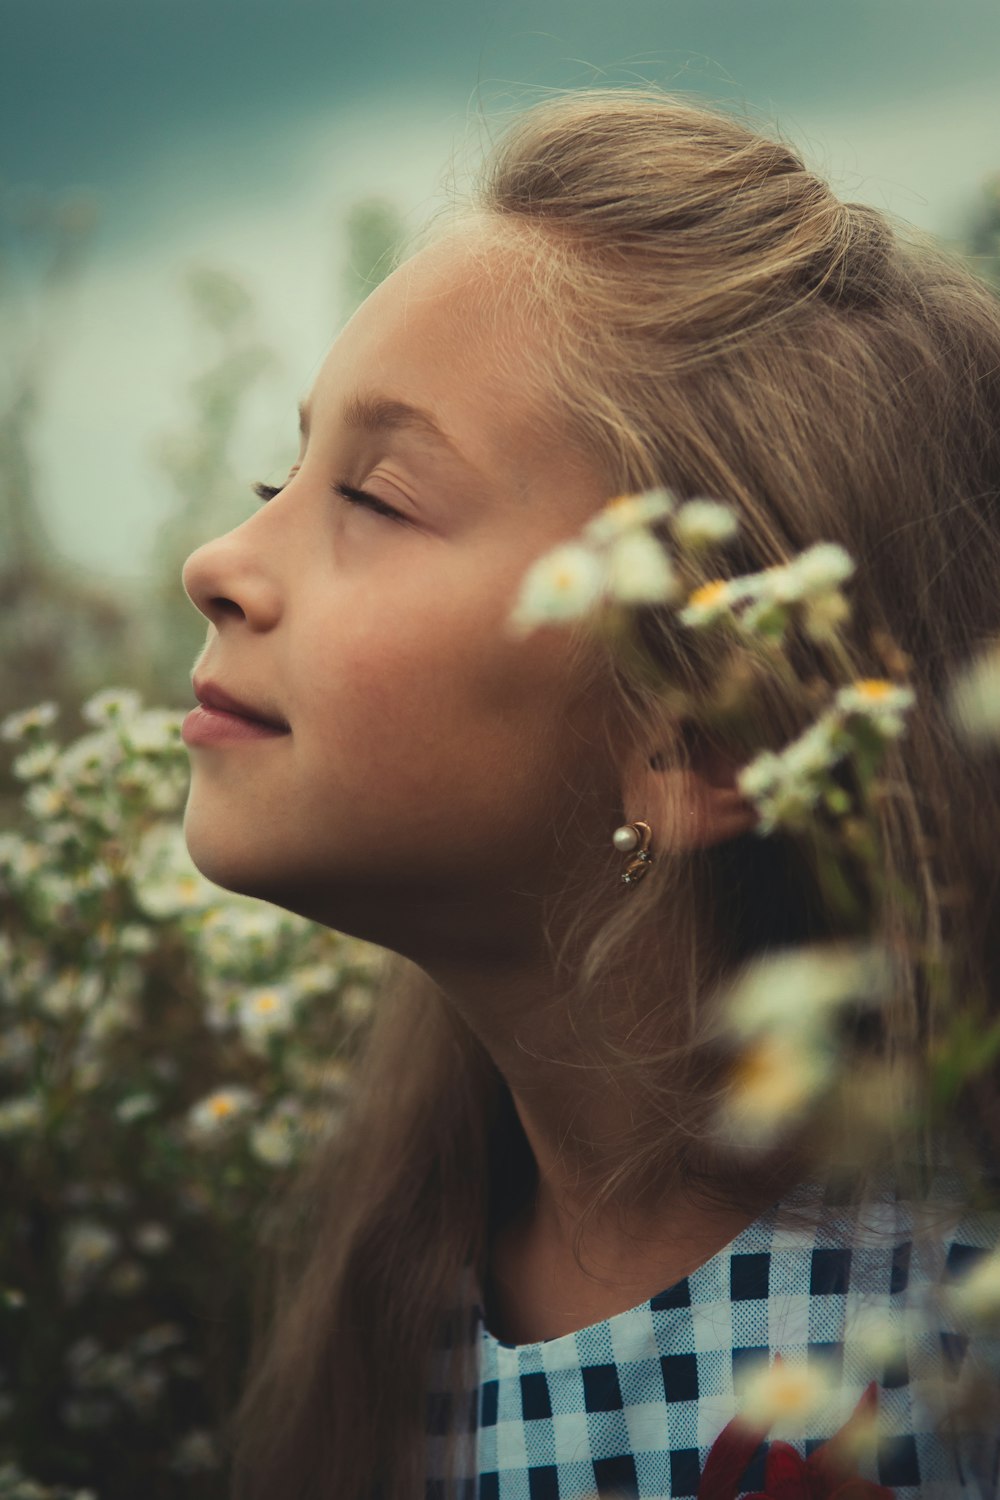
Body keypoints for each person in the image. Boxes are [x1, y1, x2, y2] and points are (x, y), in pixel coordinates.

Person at [179, 89, 1000, 1500]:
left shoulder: (942, 1358)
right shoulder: (393, 1299)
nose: (216, 559)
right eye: (280, 470)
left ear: (704, 736)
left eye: (373, 497)